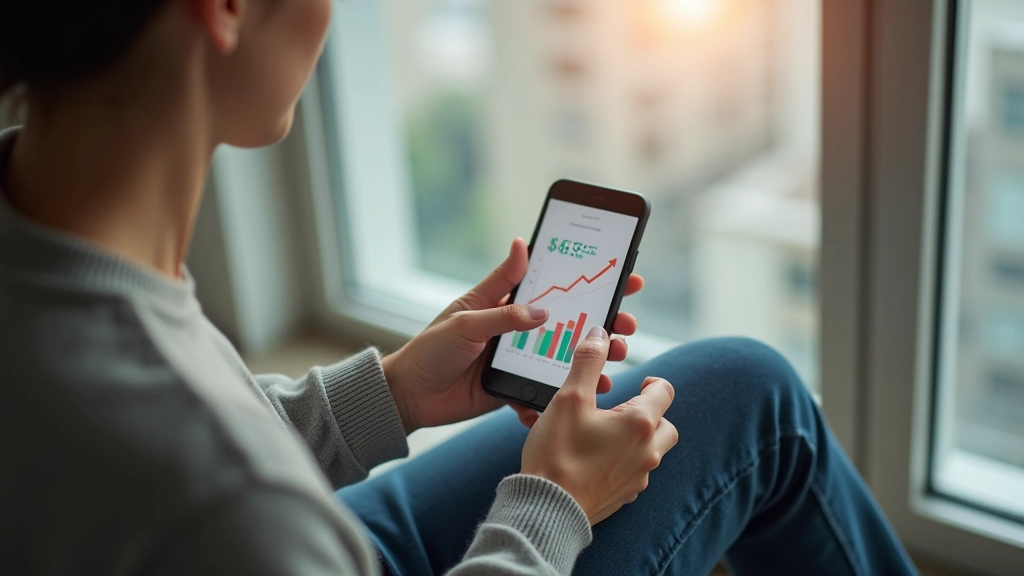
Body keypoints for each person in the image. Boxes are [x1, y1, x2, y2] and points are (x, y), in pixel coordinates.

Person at [0, 0, 918, 574]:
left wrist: (392, 393)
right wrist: (553, 506)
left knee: (748, 384)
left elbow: (190, 449)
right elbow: (209, 485)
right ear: (226, 9)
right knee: (760, 414)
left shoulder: (51, 238)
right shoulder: (236, 508)